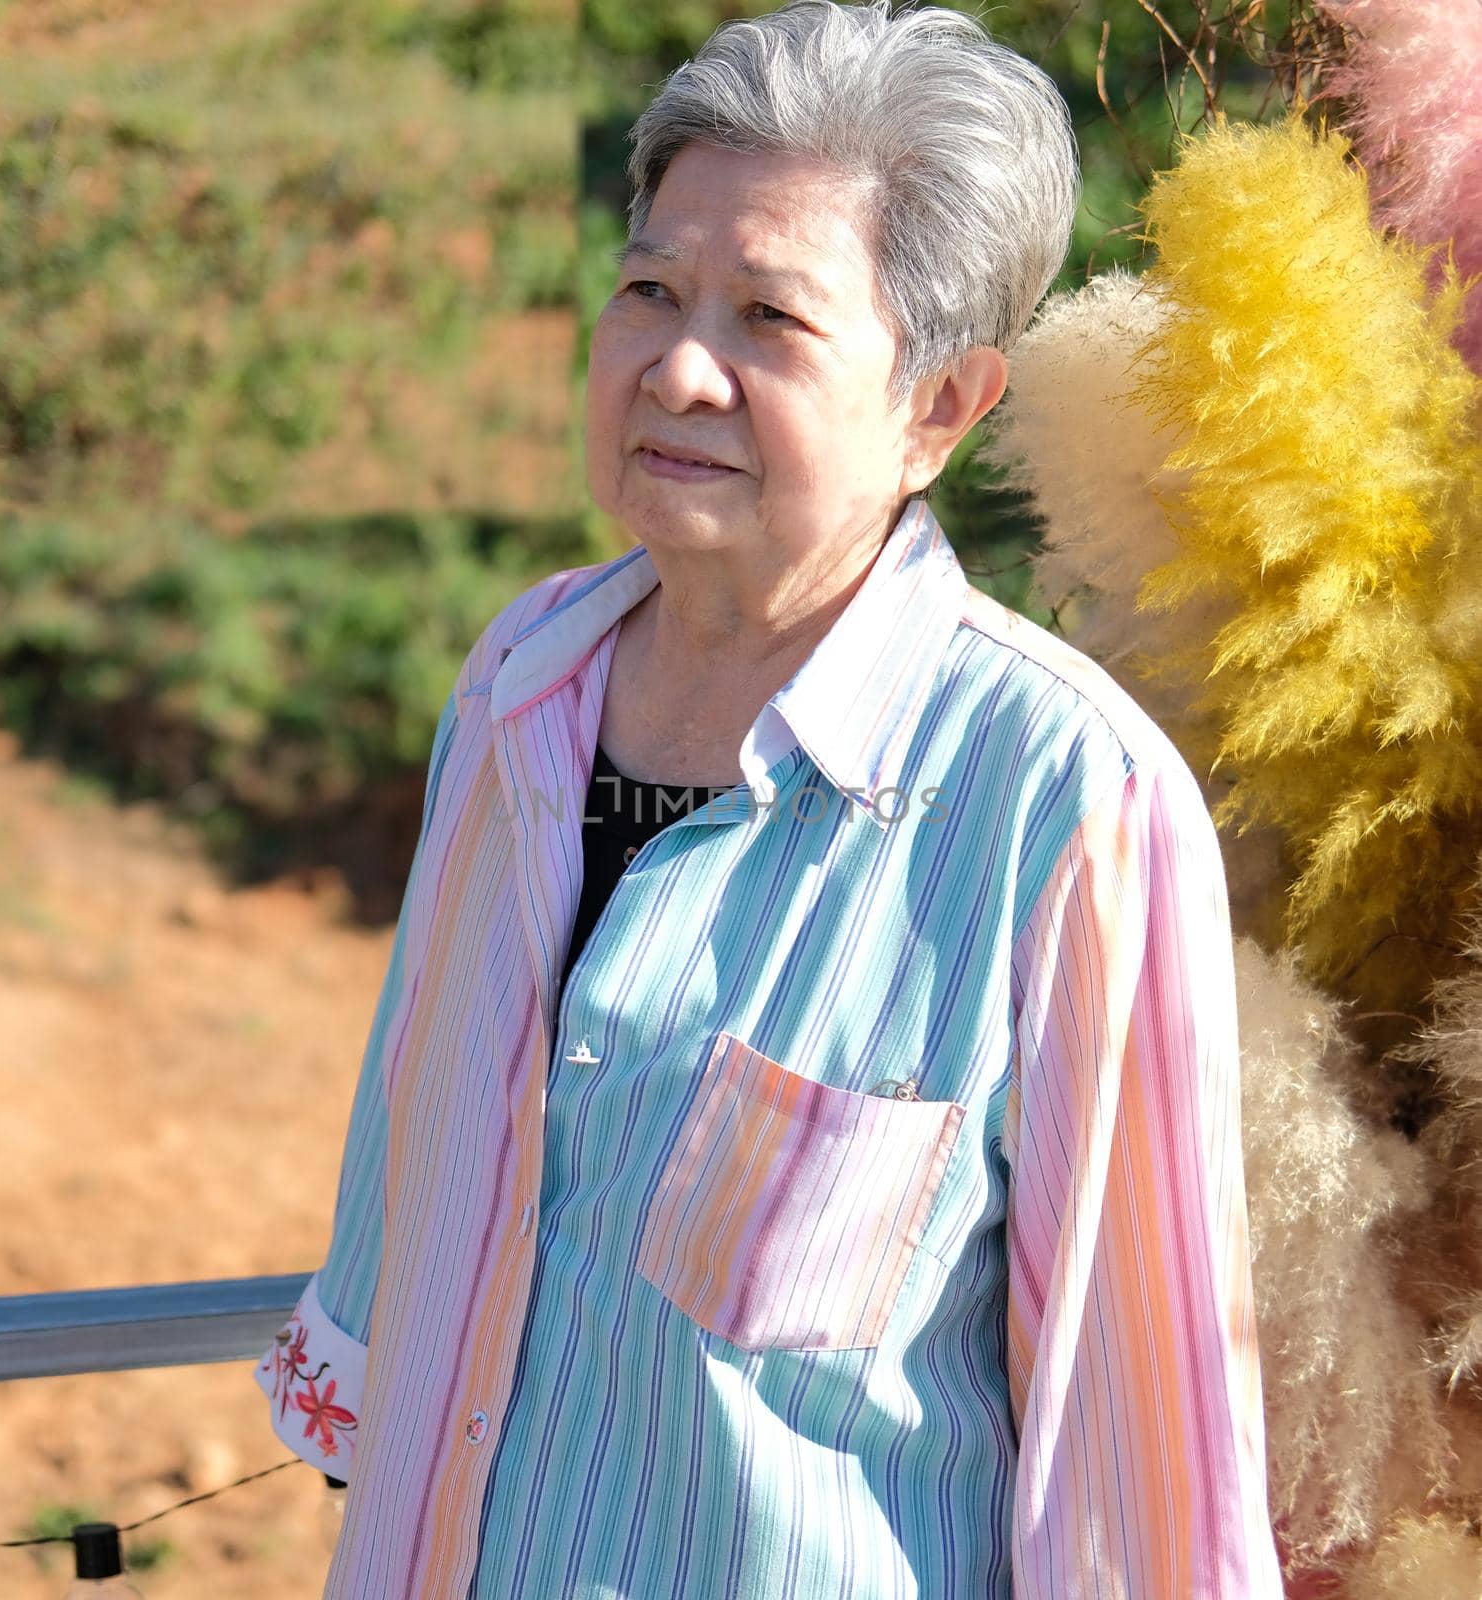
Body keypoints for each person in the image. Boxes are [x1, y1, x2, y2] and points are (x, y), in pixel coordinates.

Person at [253, 2, 1284, 1595]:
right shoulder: (522, 677)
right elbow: (413, 1132)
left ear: (938, 408)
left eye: (768, 322)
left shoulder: (1061, 798)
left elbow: (1134, 1435)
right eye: (649, 289)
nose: (676, 366)